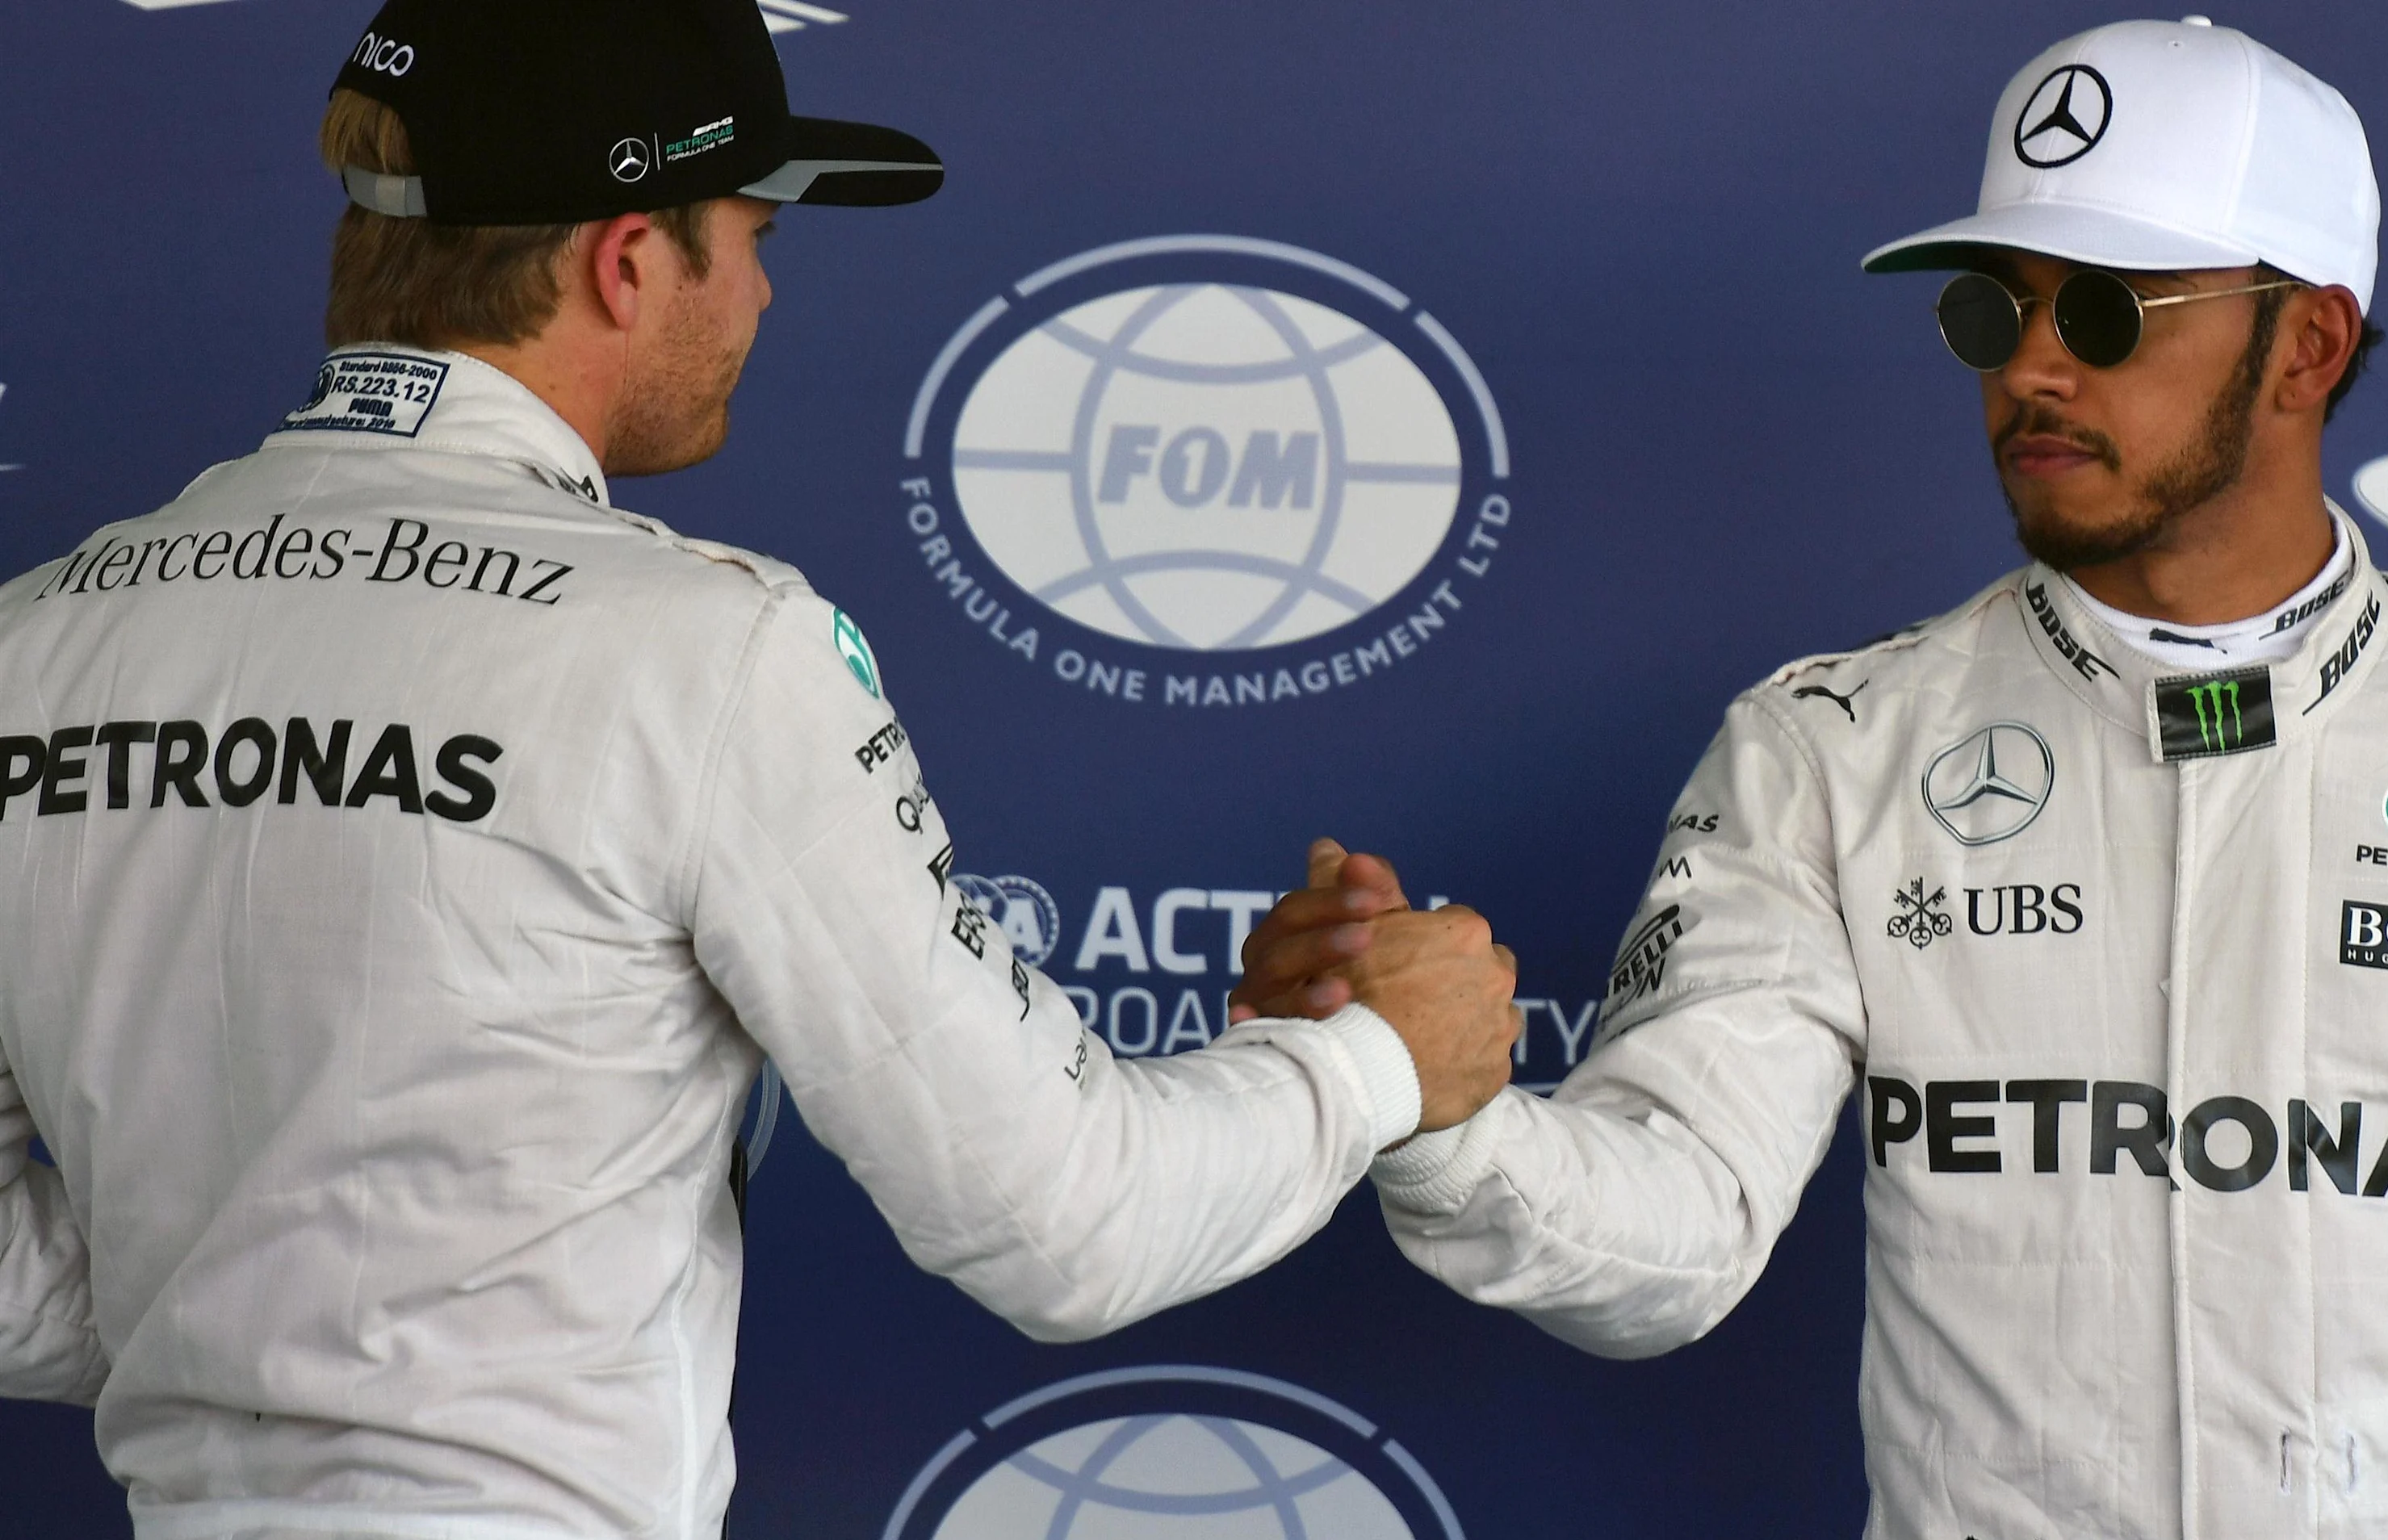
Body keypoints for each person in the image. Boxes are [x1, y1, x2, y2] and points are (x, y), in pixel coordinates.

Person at [0, 1, 1519, 1535]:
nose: (767, 295)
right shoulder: (705, 652)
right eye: (750, 236)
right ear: (628, 259)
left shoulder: (31, 642)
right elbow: (1069, 1222)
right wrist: (1384, 1062)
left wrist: (250, 1324)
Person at [1238, 19, 2388, 1538]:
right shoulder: (1832, 748)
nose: (2029, 365)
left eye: (2101, 310)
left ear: (2310, 343)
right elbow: (1677, 1228)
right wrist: (1441, 1118)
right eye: (1991, 308)